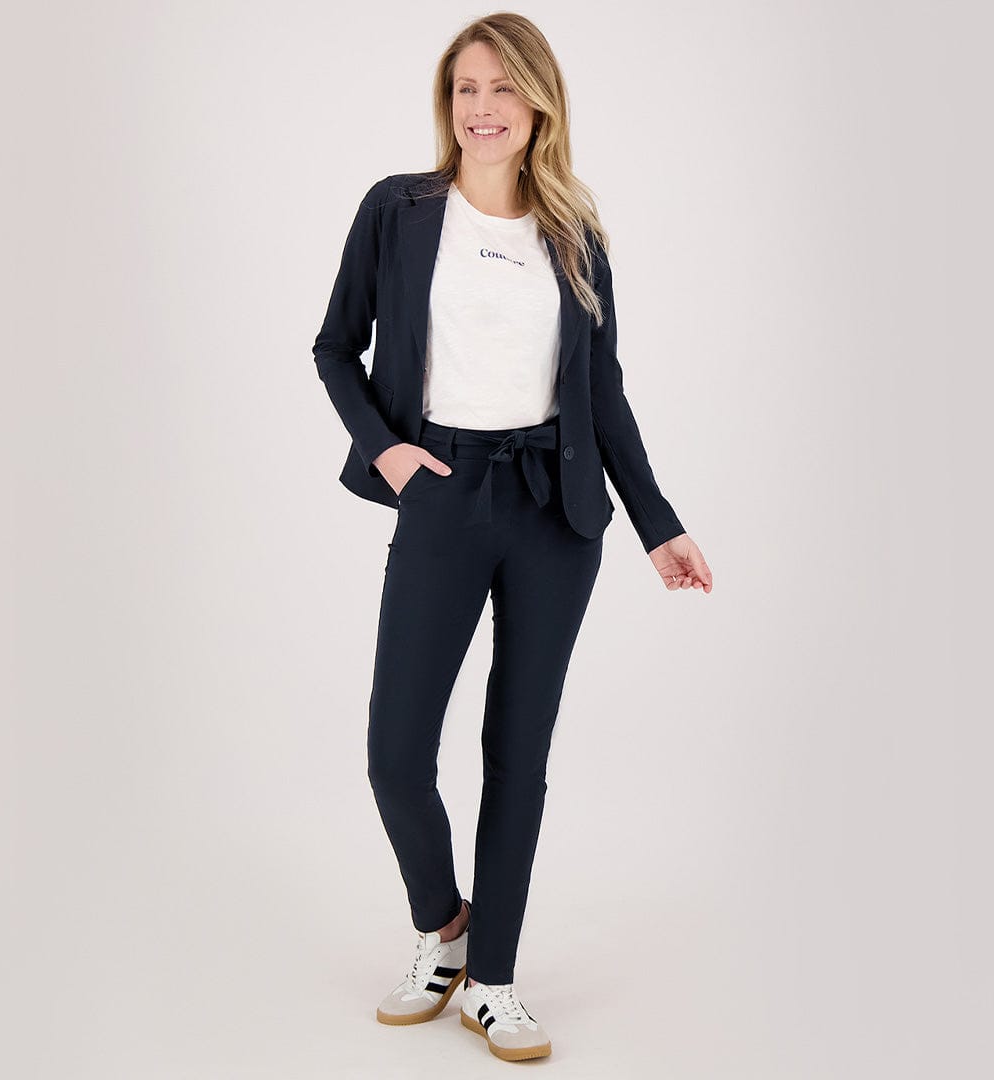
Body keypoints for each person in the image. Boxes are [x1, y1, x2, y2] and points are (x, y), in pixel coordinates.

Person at [312, 12, 712, 1063]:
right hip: (442, 492)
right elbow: (334, 346)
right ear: (448, 103)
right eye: (465, 89)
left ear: (539, 104)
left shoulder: (576, 233)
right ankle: (444, 926)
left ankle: (493, 979)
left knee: (516, 755)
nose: (482, 108)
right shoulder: (399, 210)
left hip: (553, 509)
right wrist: (389, 454)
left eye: (502, 89)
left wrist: (659, 525)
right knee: (396, 753)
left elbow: (602, 392)